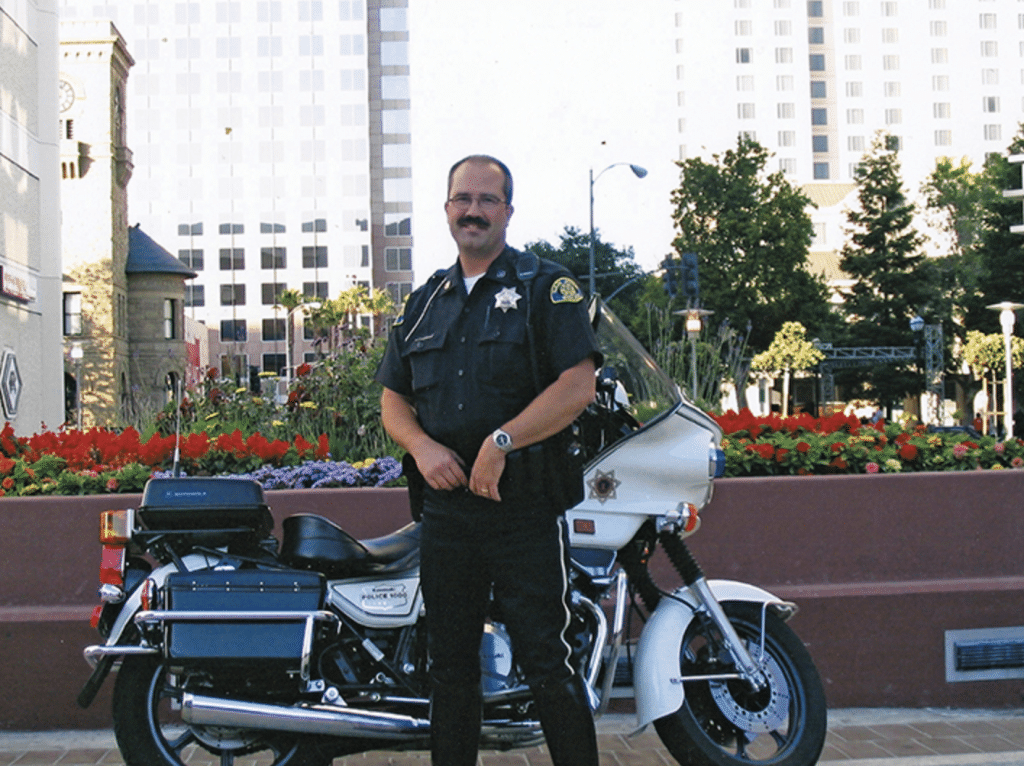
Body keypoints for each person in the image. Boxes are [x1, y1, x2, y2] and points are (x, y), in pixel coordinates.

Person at [375, 155, 601, 766]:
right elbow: (392, 400)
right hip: (447, 518)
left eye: (487, 200)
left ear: (507, 210)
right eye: (462, 199)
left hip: (523, 510)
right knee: (449, 670)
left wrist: (502, 443)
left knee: (547, 663)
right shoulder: (424, 302)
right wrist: (421, 447)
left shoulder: (544, 286)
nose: (473, 211)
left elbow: (576, 385)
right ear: (447, 208)